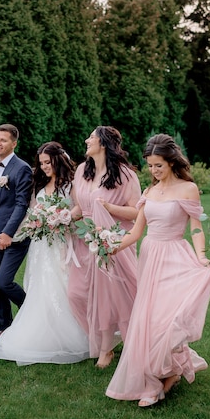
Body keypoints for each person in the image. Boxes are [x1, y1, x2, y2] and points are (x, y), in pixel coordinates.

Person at [105, 133, 210, 408]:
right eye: (150, 165)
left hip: (176, 256)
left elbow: (195, 227)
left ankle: (170, 371)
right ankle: (157, 379)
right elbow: (135, 232)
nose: (153, 171)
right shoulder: (149, 192)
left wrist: (201, 256)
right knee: (150, 320)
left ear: (171, 162)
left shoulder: (188, 189)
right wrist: (112, 246)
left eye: (158, 165)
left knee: (170, 319)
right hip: (151, 256)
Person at [0, 142, 90, 365]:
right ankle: (40, 330)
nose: (45, 166)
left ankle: (71, 333)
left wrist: (62, 217)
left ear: (59, 159)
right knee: (39, 286)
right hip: (40, 246)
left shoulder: (71, 184)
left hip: (62, 243)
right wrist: (31, 225)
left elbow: (79, 208)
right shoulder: (40, 185)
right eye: (42, 163)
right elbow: (32, 211)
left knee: (62, 285)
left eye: (48, 162)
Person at [67, 126, 141, 369]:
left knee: (115, 299)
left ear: (103, 143)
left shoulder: (125, 175)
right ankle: (99, 340)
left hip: (112, 242)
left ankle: (109, 349)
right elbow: (80, 207)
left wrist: (109, 209)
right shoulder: (81, 171)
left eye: (91, 136)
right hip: (84, 241)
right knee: (77, 293)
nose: (86, 140)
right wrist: (59, 219)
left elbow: (136, 212)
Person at [0, 124, 33, 341]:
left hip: (16, 235)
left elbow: (21, 204)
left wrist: (7, 233)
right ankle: (5, 327)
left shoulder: (21, 168)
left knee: (4, 281)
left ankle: (32, 311)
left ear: (14, 144)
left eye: (3, 140)